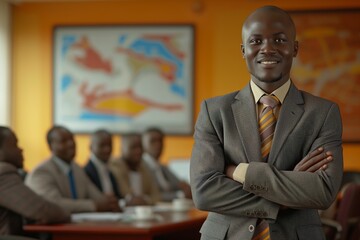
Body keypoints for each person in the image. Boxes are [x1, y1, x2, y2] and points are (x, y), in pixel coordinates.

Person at [190, 5, 343, 240]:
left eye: (280, 40)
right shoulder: (214, 111)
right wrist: (284, 195)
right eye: (256, 41)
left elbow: (322, 191)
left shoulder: (324, 113)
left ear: (295, 48)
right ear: (243, 50)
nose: (268, 49)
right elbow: (204, 192)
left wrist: (240, 172)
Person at [25, 126, 120, 213]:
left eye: (72, 139)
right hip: (51, 229)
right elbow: (53, 204)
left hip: (78, 226)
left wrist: (110, 202)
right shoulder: (41, 172)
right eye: (63, 141)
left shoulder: (77, 169)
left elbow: (97, 196)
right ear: (51, 146)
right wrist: (93, 205)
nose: (71, 144)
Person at [0, 126, 70, 236]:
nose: (20, 149)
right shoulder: (3, 173)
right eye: (15, 144)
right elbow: (41, 210)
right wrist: (66, 213)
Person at [142, 127, 192, 201]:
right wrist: (180, 195)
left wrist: (186, 188)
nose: (158, 144)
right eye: (153, 141)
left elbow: (181, 184)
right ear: (143, 144)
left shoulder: (162, 167)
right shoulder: (140, 167)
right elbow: (152, 196)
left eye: (160, 141)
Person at [110, 133, 160, 205]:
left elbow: (156, 196)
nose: (138, 151)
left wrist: (145, 200)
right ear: (122, 149)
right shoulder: (115, 166)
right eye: (133, 147)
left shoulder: (144, 167)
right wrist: (144, 199)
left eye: (140, 147)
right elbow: (127, 194)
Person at [84, 129, 122, 199]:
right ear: (91, 147)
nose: (107, 149)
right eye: (102, 145)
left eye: (109, 145)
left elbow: (117, 197)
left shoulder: (110, 171)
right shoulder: (85, 172)